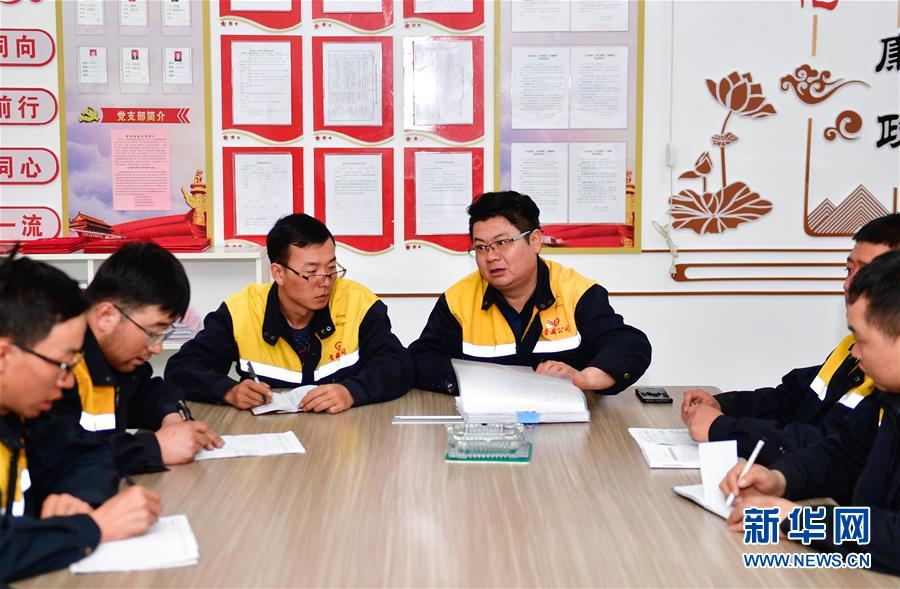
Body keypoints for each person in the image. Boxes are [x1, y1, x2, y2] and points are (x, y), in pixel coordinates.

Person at [721, 250, 900, 575]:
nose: (854, 353)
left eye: (861, 340)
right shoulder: (889, 397)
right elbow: (845, 455)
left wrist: (797, 519)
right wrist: (779, 479)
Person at [682, 214, 900, 466]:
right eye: (849, 270)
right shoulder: (851, 350)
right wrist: (723, 405)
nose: (848, 284)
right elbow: (792, 400)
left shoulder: (887, 378)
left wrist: (725, 429)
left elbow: (829, 449)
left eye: (867, 276)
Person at [0, 248, 161, 583]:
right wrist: (92, 527)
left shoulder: (23, 414)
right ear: (4, 356)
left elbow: (88, 454)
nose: (69, 380)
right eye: (62, 363)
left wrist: (75, 495)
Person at [409, 191, 651, 395]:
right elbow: (422, 358)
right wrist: (484, 382)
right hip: (488, 425)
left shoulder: (576, 292)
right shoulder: (458, 300)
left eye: (502, 243)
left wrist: (585, 379)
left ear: (535, 241)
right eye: (481, 247)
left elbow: (629, 345)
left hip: (565, 424)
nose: (491, 257)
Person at [166, 214, 413, 413]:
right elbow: (182, 368)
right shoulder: (242, 311)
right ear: (278, 273)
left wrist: (352, 391)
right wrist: (227, 391)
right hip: (267, 436)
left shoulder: (358, 302)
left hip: (345, 433)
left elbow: (397, 364)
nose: (325, 281)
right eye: (311, 272)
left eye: (331, 268)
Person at [51, 242, 222, 476]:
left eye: (164, 333)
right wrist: (155, 448)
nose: (158, 347)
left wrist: (172, 417)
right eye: (153, 332)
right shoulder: (57, 365)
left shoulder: (115, 357)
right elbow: (59, 455)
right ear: (106, 316)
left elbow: (148, 391)